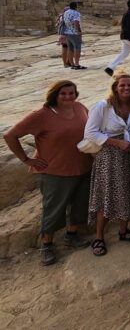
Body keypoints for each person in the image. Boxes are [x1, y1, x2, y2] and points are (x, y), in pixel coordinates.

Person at [3, 80, 92, 265]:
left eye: (71, 93)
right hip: (54, 171)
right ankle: (47, 245)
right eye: (63, 94)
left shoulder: (80, 107)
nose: (68, 97)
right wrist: (26, 159)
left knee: (80, 204)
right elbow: (10, 135)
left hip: (83, 166)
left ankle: (71, 235)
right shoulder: (42, 114)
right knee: (54, 208)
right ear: (54, 95)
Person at [85, 72, 130, 256]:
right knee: (107, 195)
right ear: (115, 88)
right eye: (122, 85)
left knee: (127, 192)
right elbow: (90, 133)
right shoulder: (103, 106)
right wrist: (117, 143)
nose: (126, 88)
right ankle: (99, 237)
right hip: (109, 157)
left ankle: (124, 231)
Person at [63, 2, 86, 70]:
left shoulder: (66, 12)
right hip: (74, 33)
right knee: (77, 49)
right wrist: (79, 31)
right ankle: (77, 64)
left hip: (67, 32)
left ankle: (72, 64)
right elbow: (76, 23)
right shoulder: (76, 13)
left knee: (70, 49)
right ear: (76, 6)